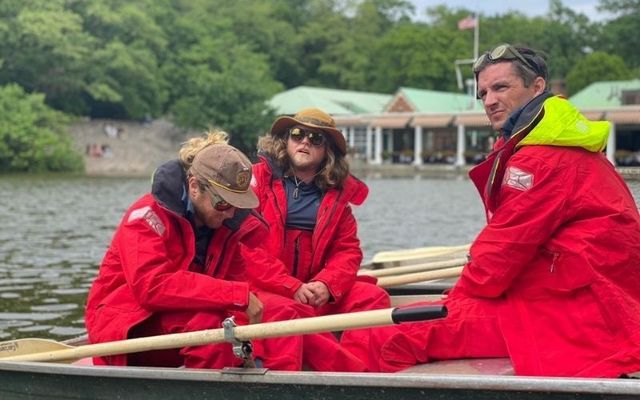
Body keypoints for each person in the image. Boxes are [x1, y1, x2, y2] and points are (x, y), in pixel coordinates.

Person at [347, 44, 640, 377]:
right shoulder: (559, 140)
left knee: (379, 336)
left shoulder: (540, 159)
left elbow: (502, 251)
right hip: (589, 299)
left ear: (538, 87)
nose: (488, 100)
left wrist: (460, 295)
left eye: (501, 87)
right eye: (483, 92)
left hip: (574, 313)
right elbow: (505, 251)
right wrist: (469, 285)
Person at [85, 130, 307, 370]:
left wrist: (253, 349)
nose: (230, 213)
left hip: (179, 319)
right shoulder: (146, 217)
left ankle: (273, 384)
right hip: (125, 325)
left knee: (283, 311)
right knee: (208, 324)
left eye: (236, 205)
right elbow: (152, 286)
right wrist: (237, 296)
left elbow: (238, 288)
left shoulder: (226, 226)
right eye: (222, 203)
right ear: (194, 186)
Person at [248, 108, 391, 370]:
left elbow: (347, 252)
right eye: (298, 134)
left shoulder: (338, 197)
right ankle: (337, 377)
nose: (304, 141)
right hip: (265, 290)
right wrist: (290, 286)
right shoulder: (254, 182)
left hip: (313, 294)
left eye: (315, 138)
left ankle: (363, 376)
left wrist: (326, 284)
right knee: (288, 314)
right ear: (285, 140)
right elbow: (244, 250)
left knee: (372, 297)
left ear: (327, 150)